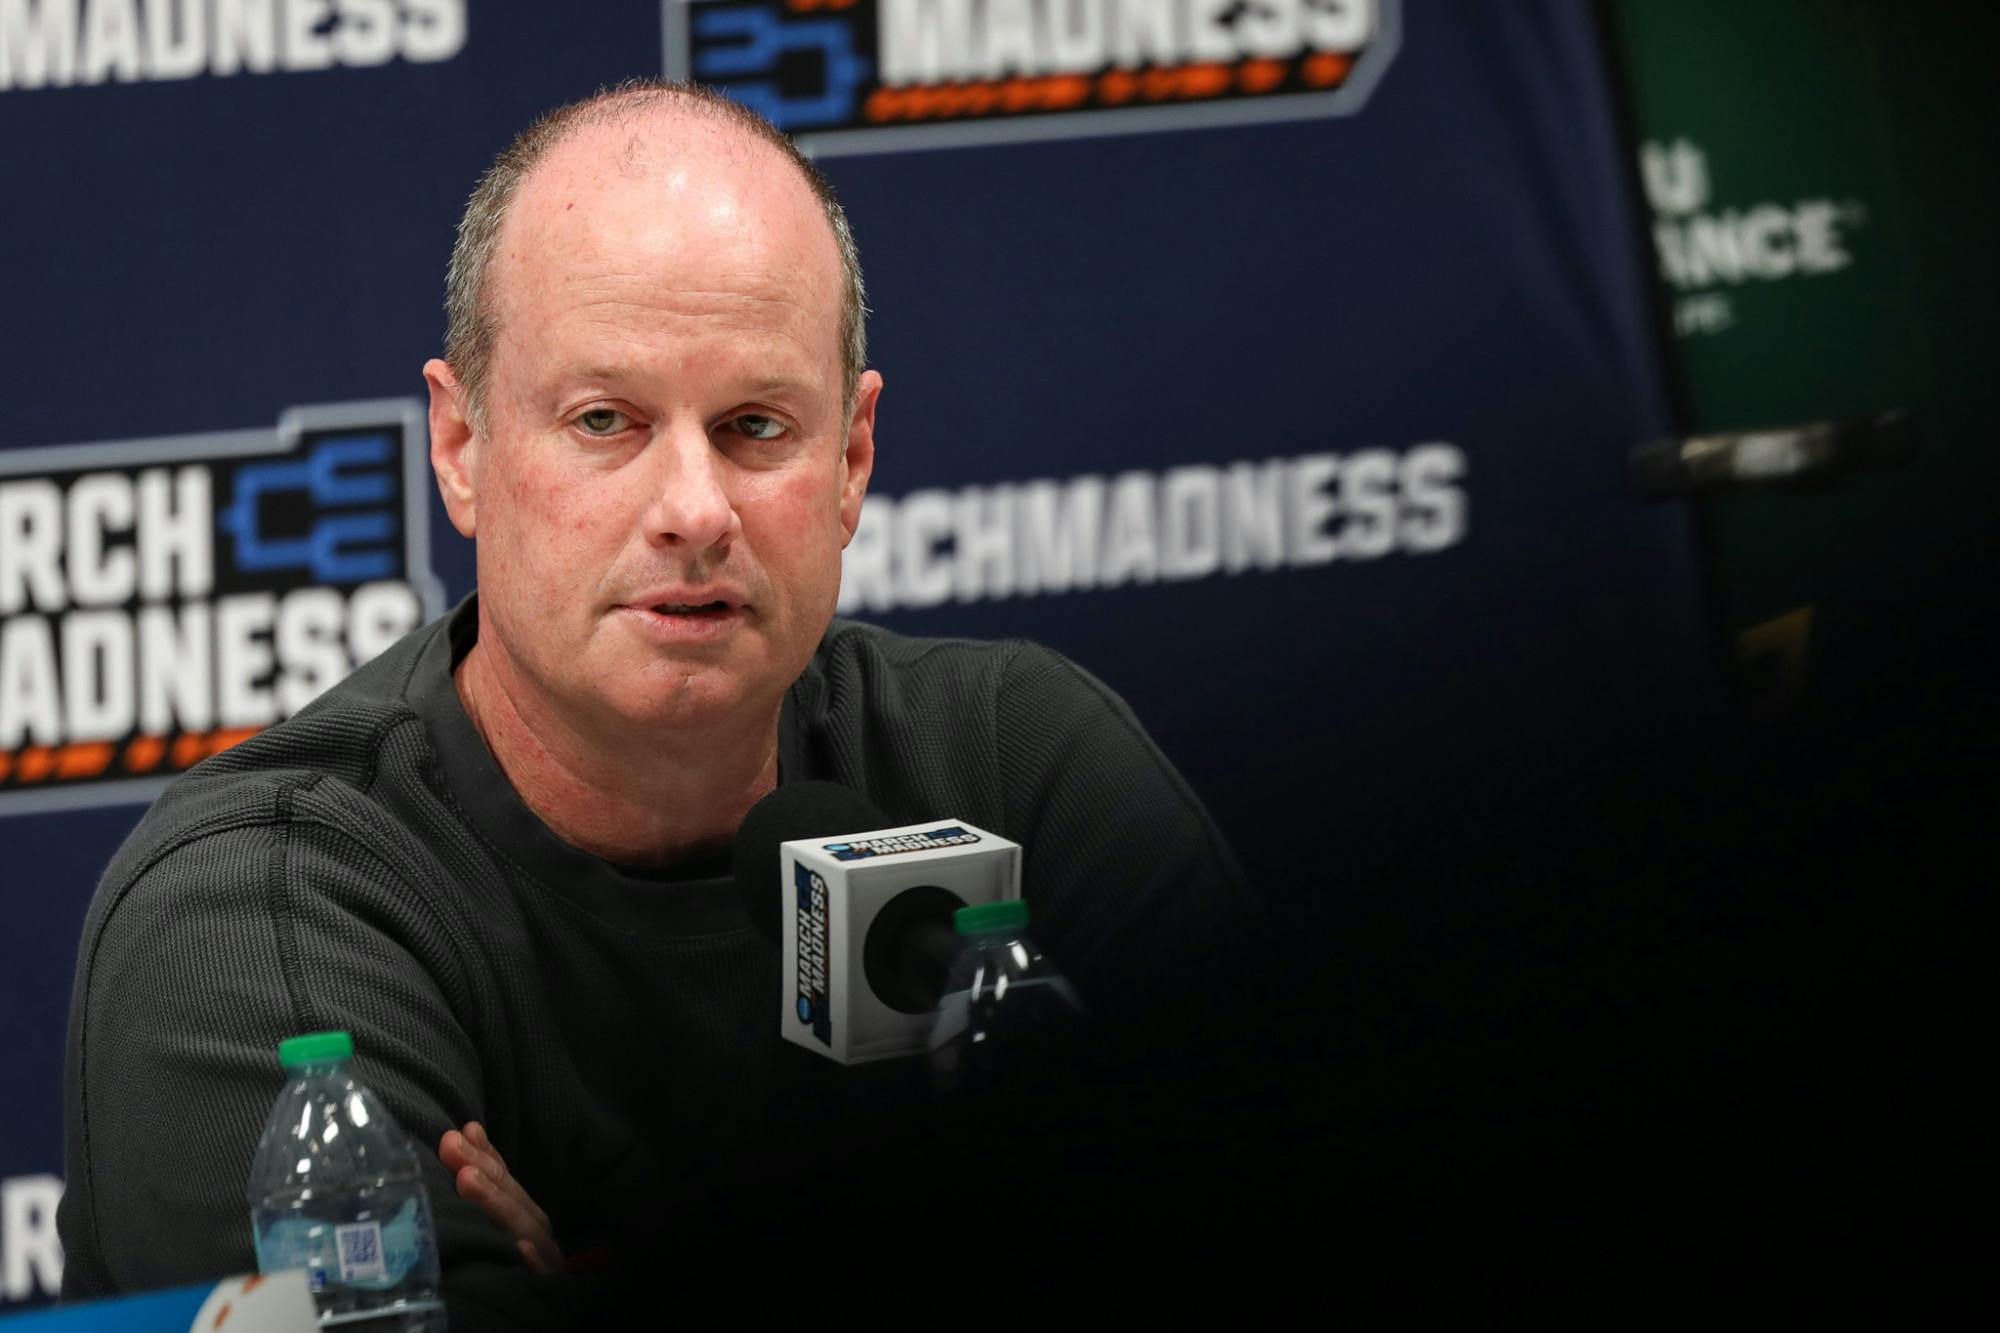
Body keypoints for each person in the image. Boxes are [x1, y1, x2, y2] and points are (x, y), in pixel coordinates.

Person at [57, 79, 1251, 1323]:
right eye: (603, 420)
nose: (692, 508)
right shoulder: (259, 913)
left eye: (754, 426)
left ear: (850, 458)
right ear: (460, 448)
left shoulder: (1012, 764)